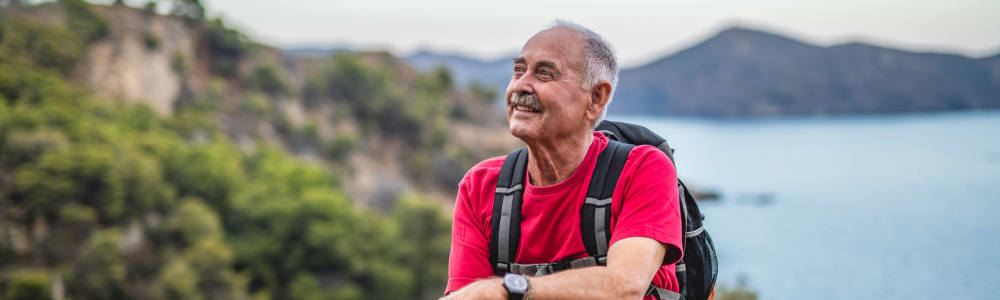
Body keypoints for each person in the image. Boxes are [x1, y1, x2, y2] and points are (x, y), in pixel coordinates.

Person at [441, 20, 683, 300]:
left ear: (595, 98)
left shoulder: (642, 169)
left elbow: (625, 287)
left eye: (544, 74)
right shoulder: (481, 186)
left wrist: (507, 289)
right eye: (518, 70)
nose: (521, 85)